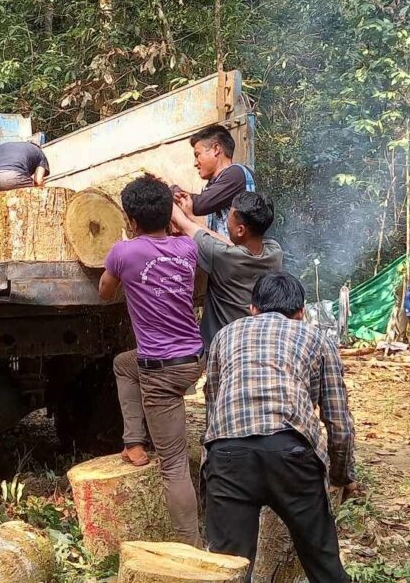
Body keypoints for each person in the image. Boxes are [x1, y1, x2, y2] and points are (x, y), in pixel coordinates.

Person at [203, 272, 358, 582]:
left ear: (252, 309)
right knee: (325, 566)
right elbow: (339, 423)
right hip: (292, 454)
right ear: (301, 312)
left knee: (228, 572)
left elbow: (213, 402)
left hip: (228, 455)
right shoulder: (317, 338)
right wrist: (342, 477)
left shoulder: (225, 335)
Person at [98, 175, 204, 547]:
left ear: (130, 218)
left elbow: (105, 292)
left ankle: (189, 549)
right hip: (193, 359)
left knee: (174, 467)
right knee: (124, 363)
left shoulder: (123, 253)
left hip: (161, 371)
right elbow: (197, 242)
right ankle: (133, 442)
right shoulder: (187, 249)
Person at [170, 190, 284, 348]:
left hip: (223, 349)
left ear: (240, 230)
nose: (226, 224)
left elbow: (182, 224)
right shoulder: (275, 251)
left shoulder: (220, 256)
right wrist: (192, 217)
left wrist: (167, 197)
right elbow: (227, 245)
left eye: (228, 220)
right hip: (258, 344)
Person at [0, 139, 50, 260]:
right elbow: (38, 180)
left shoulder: (6, 145)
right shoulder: (39, 153)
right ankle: (30, 254)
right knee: (32, 216)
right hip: (14, 176)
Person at [172, 124, 256, 238]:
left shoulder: (236, 174)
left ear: (216, 149)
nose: (195, 163)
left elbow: (198, 205)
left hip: (241, 255)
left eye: (198, 155)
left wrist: (172, 191)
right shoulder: (213, 184)